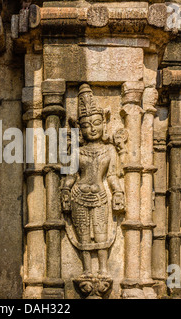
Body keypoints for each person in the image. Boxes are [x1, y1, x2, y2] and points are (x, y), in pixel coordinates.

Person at [61, 84, 124, 278]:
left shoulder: (110, 150)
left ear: (104, 124)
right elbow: (71, 175)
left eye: (96, 123)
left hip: (100, 195)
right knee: (84, 234)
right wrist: (65, 190)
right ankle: (87, 270)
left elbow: (112, 176)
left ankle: (104, 269)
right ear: (80, 129)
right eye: (86, 125)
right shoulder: (77, 152)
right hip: (78, 195)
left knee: (101, 232)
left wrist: (119, 192)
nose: (92, 128)